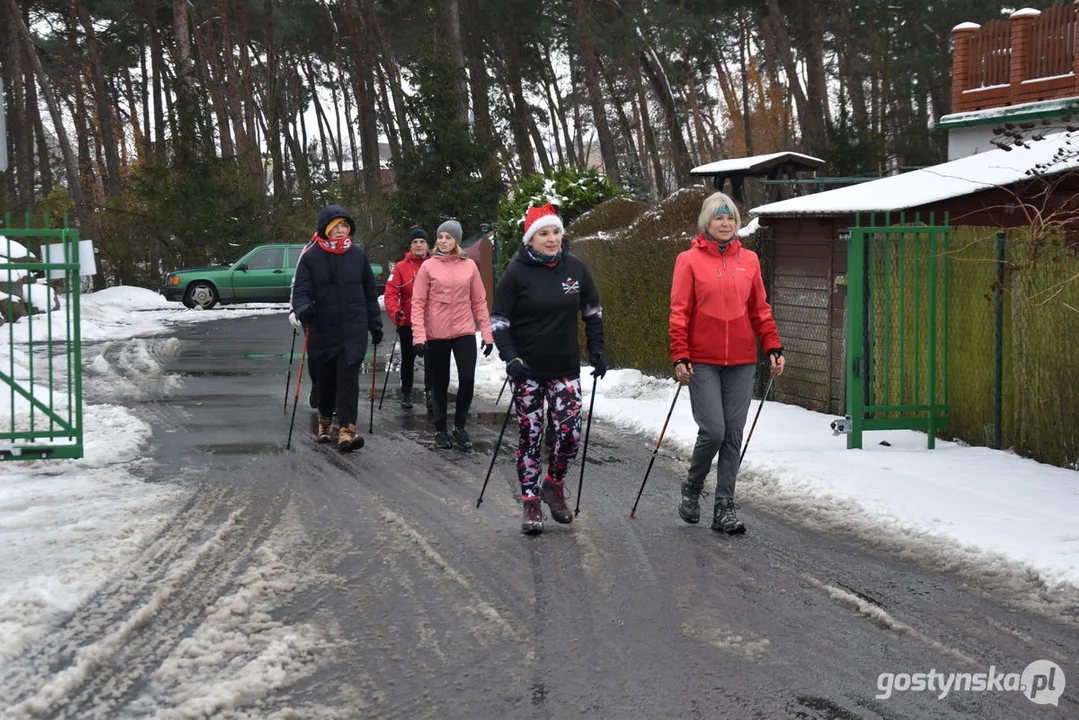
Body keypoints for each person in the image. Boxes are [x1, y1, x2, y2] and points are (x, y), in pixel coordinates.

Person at [669, 191, 785, 534]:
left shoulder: (748, 260)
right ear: (707, 222)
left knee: (733, 434)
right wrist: (680, 353)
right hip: (701, 360)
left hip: (741, 359)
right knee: (714, 431)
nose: (725, 223)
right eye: (719, 217)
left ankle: (724, 507)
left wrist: (773, 346)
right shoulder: (688, 261)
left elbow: (760, 309)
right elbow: (679, 312)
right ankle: (692, 488)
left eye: (731, 217)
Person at [491, 203, 606, 534]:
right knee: (531, 435)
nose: (552, 239)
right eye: (544, 233)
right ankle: (530, 503)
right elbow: (499, 320)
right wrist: (511, 357)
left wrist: (597, 349)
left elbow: (593, 311)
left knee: (569, 434)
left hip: (565, 367)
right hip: (527, 370)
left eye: (556, 232)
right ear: (531, 239)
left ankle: (553, 484)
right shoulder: (515, 274)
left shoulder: (575, 268)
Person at [292, 204, 383, 452]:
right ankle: (325, 422)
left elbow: (369, 293)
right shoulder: (311, 257)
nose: (341, 230)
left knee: (348, 380)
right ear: (326, 230)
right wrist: (303, 309)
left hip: (353, 328)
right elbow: (300, 291)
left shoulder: (358, 255)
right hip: (323, 329)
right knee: (326, 380)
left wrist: (375, 324)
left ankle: (347, 431)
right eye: (335, 227)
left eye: (344, 225)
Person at [410, 219, 494, 451]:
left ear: (456, 241)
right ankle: (440, 429)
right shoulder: (428, 267)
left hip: (463, 331)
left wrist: (487, 334)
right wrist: (419, 336)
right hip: (436, 334)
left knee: (467, 380)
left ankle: (459, 427)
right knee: (440, 382)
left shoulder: (469, 267)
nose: (443, 241)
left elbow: (479, 301)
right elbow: (418, 304)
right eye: (440, 237)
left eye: (448, 237)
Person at [384, 227, 432, 409]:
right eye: (415, 242)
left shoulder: (435, 264)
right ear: (410, 246)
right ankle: (406, 393)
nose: (418, 245)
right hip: (408, 321)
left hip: (431, 322)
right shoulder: (400, 268)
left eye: (422, 242)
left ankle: (430, 393)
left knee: (431, 360)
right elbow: (390, 294)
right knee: (408, 358)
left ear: (428, 245)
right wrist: (395, 312)